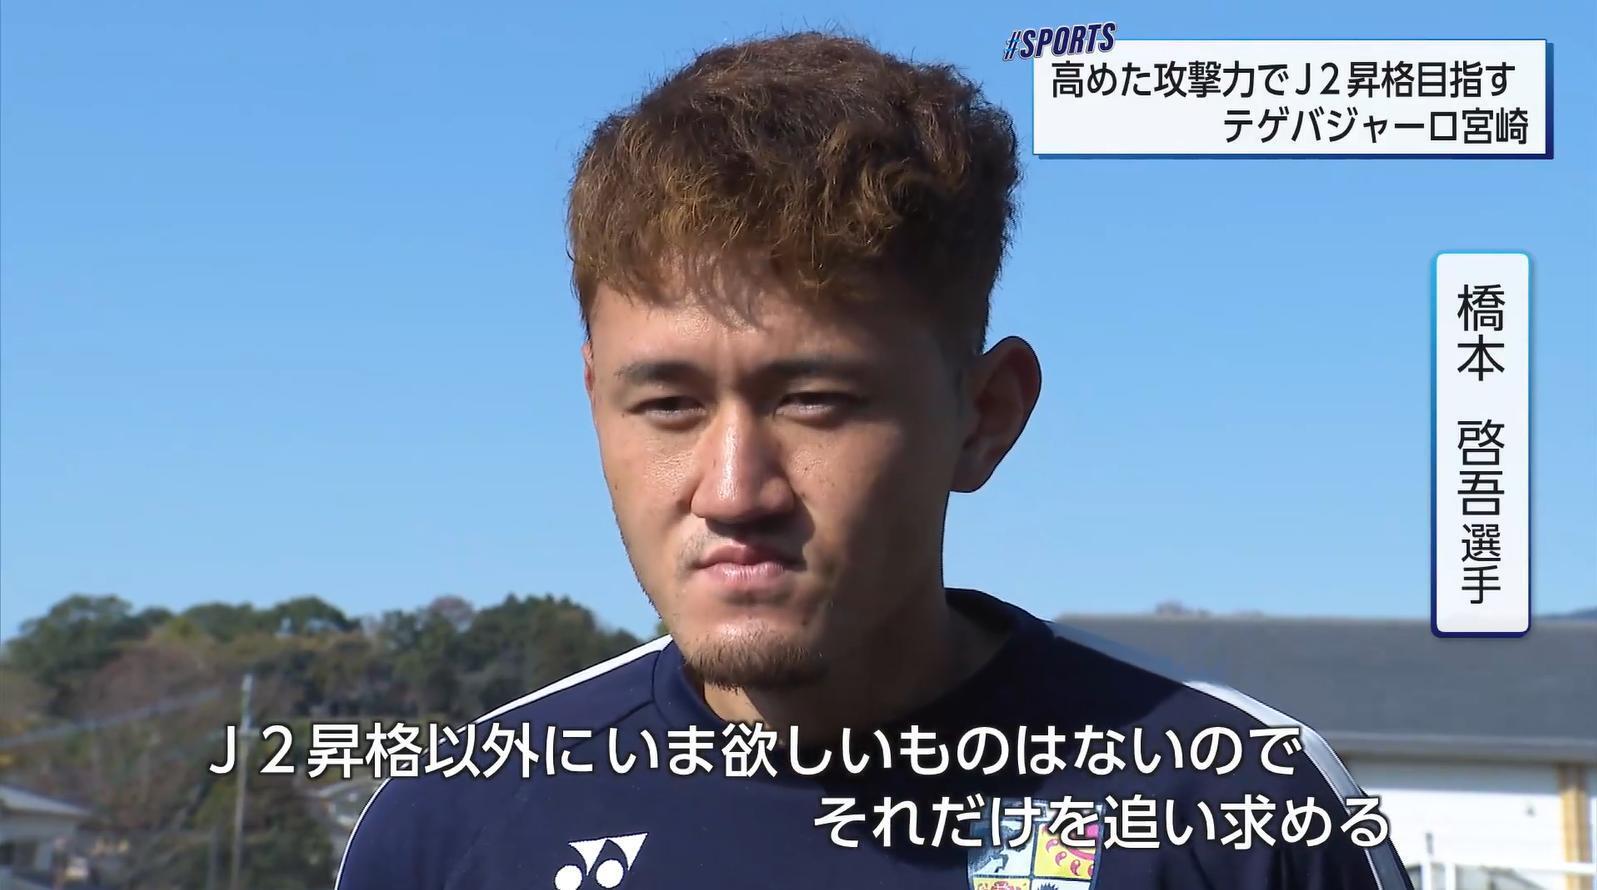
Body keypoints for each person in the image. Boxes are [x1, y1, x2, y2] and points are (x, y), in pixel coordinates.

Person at [337, 31, 1411, 890]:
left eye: (815, 402)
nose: (733, 490)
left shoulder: (1236, 812)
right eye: (667, 405)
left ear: (984, 415)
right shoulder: (455, 824)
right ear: (594, 403)